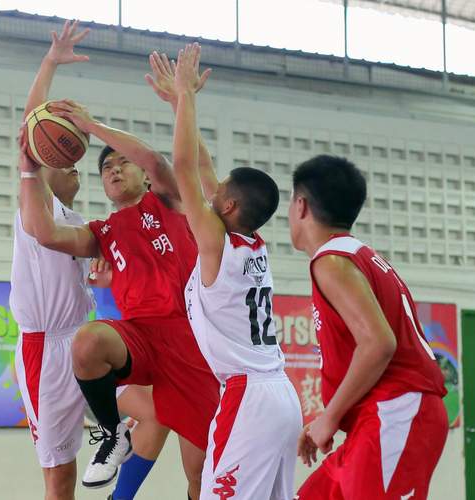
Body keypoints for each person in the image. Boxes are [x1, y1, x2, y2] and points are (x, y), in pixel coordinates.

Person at [16, 87, 219, 498]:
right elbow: (44, 232)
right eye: (105, 167)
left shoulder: (172, 201)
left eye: (122, 162)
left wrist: (90, 127)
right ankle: (112, 434)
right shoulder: (103, 231)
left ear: (143, 175)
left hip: (191, 340)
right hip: (140, 336)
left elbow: (159, 162)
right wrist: (28, 169)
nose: (112, 168)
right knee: (88, 340)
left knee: (202, 473)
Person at [10, 20, 163, 500]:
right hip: (44, 352)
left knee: (156, 413)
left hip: (80, 344)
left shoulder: (79, 223)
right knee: (59, 477)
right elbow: (34, 126)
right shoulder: (38, 205)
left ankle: (121, 489)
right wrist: (50, 61)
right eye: (66, 162)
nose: (75, 168)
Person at [148, 43, 302, 499]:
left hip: (249, 397)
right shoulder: (252, 242)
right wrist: (180, 102)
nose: (210, 197)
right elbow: (206, 169)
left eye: (218, 197)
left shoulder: (215, 244)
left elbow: (182, 168)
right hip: (282, 397)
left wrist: (188, 97)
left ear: (229, 206)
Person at [288, 155, 449, 499]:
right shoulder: (358, 256)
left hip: (397, 412)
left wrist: (329, 417)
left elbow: (378, 344)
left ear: (300, 205)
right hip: (377, 417)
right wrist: (331, 416)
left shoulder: (332, 262)